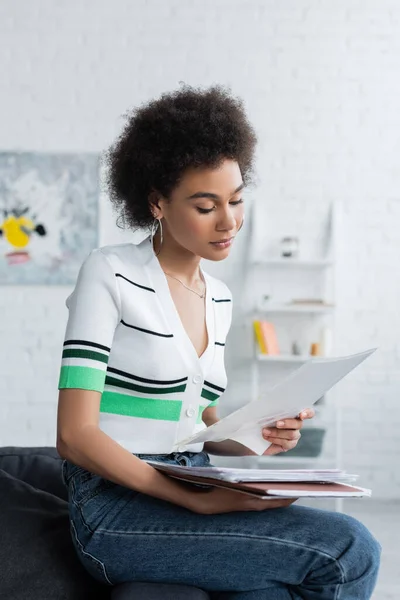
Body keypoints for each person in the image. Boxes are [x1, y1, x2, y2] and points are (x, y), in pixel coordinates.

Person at [56, 85, 381, 599]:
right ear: (158, 202)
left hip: (196, 478)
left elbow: (200, 423)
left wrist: (260, 435)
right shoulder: (110, 273)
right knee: (349, 549)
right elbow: (75, 436)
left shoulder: (220, 299)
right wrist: (193, 501)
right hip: (116, 508)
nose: (229, 221)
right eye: (206, 206)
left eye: (236, 200)